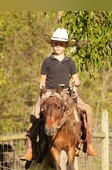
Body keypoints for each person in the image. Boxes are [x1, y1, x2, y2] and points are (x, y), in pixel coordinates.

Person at [21, 28, 97, 161]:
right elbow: (42, 79)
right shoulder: (47, 61)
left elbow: (76, 78)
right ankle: (30, 149)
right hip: (49, 93)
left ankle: (87, 142)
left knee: (87, 110)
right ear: (52, 44)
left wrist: (76, 81)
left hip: (66, 93)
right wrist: (42, 86)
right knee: (36, 114)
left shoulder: (70, 62)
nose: (58, 46)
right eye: (56, 43)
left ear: (66, 46)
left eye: (61, 44)